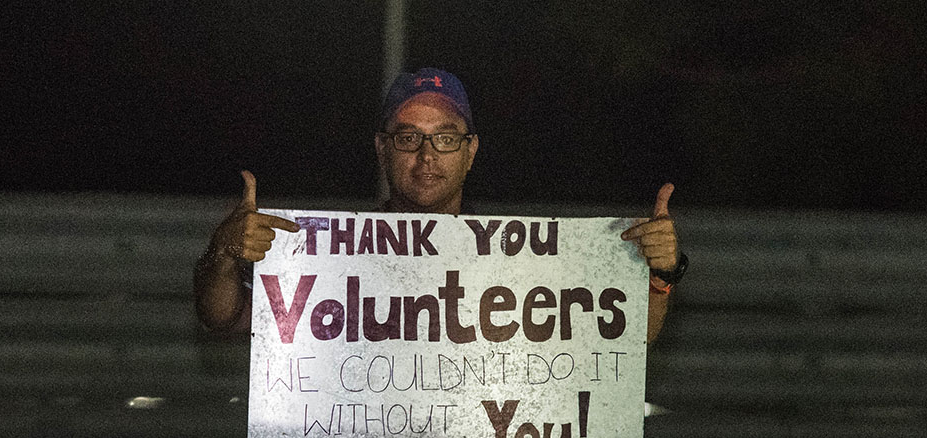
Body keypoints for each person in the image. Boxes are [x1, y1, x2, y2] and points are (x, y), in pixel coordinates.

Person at [194, 67, 687, 338]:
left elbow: (631, 336)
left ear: (471, 151)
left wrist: (659, 275)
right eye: (408, 138)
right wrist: (224, 252)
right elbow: (224, 316)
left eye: (446, 139)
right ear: (381, 148)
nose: (427, 156)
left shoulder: (520, 259)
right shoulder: (330, 254)